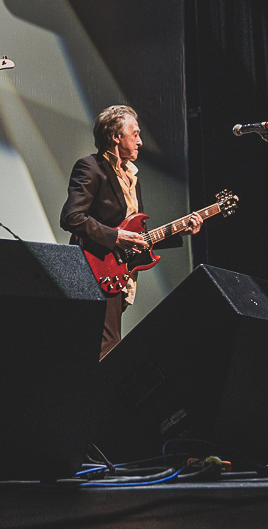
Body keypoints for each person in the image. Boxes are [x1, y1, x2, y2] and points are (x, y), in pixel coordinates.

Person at [60, 105, 199, 358]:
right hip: (96, 270)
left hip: (119, 275)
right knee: (107, 346)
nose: (141, 142)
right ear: (115, 136)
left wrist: (181, 232)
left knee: (104, 345)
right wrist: (117, 237)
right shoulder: (91, 167)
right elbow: (71, 217)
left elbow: (138, 237)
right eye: (134, 134)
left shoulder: (132, 176)